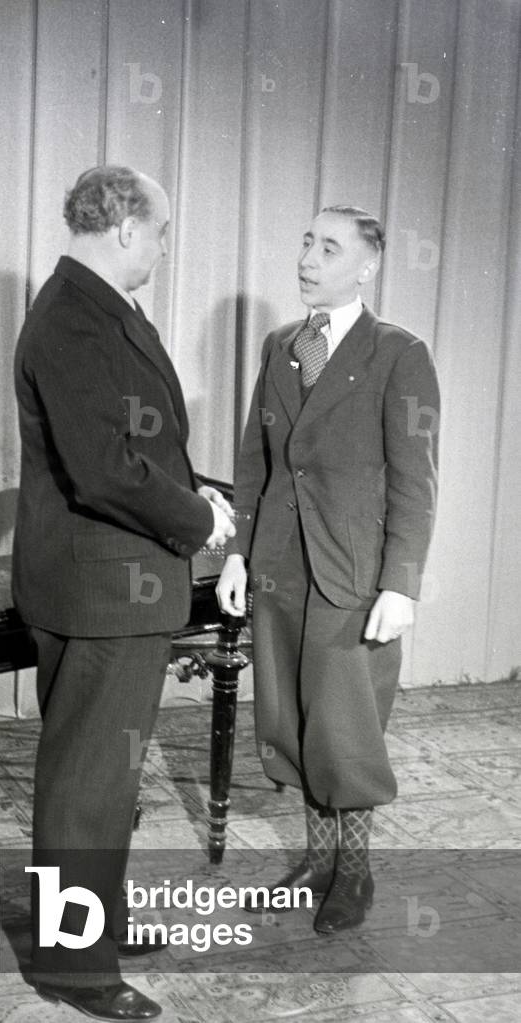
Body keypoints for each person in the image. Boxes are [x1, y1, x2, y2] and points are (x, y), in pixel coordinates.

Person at [12, 165, 234, 1020]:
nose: (167, 249)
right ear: (127, 228)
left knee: (102, 774)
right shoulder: (73, 317)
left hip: (113, 581)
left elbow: (140, 448)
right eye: (165, 231)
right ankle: (72, 965)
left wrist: (197, 496)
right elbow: (104, 469)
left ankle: (87, 922)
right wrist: (197, 521)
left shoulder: (95, 309)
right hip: (102, 588)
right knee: (88, 777)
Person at [217, 205, 439, 934]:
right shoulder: (282, 344)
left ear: (366, 265)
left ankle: (354, 872)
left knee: (346, 728)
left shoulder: (398, 353)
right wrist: (238, 555)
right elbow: (255, 461)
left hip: (351, 577)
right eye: (306, 241)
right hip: (280, 568)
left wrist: (400, 583)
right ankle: (315, 861)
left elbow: (416, 479)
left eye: (329, 247)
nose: (308, 257)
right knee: (291, 718)